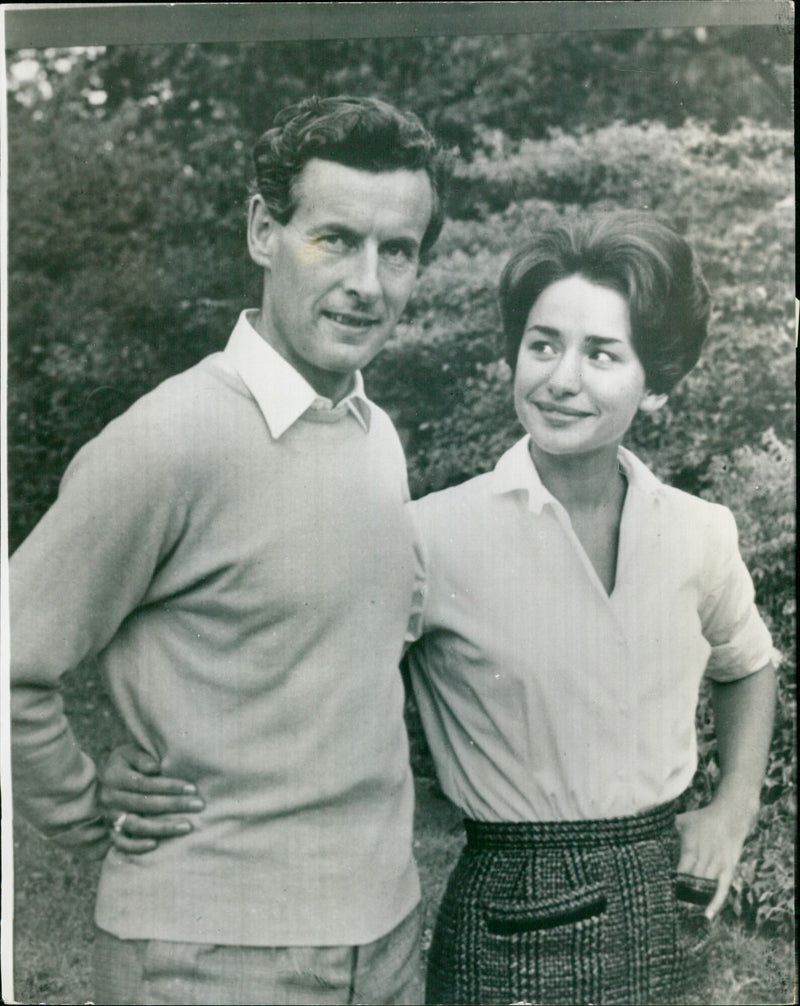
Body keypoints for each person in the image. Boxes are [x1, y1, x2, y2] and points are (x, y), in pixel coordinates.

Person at [105, 212, 778, 1005]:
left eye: (602, 354)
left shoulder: (699, 534)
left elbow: (749, 663)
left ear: (655, 384)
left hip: (668, 906)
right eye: (542, 345)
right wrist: (158, 756)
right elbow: (299, 681)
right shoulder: (432, 537)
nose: (561, 378)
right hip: (510, 923)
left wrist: (733, 807)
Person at [10, 94, 450, 1006]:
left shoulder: (376, 435)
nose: (368, 283)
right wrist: (87, 812)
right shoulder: (166, 440)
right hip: (206, 958)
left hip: (385, 941)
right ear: (263, 231)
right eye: (335, 240)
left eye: (398, 251)